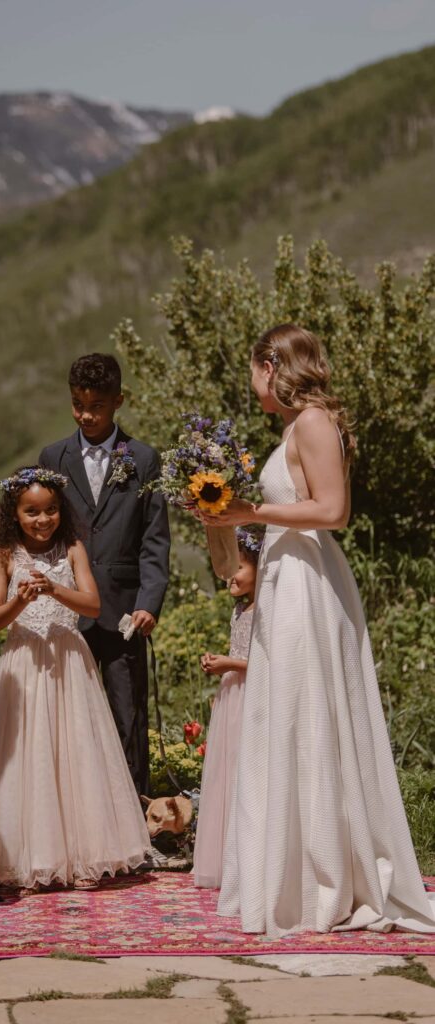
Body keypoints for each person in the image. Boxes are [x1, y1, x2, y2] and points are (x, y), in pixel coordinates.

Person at [198, 322, 435, 935]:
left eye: (254, 371)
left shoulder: (312, 421)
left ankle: (330, 878)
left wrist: (250, 510)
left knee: (308, 716)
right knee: (284, 719)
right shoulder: (294, 425)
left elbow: (333, 511)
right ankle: (293, 873)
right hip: (285, 577)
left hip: (306, 583)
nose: (251, 385)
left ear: (271, 367)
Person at [0, 467, 151, 894]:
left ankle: (87, 856)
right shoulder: (4, 555)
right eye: (32, 512)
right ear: (14, 513)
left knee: (76, 753)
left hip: (68, 659)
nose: (43, 520)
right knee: (31, 756)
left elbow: (93, 606)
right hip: (24, 663)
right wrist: (19, 600)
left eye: (52, 510)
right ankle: (34, 859)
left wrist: (54, 590)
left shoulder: (72, 547)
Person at [39, 354, 170, 795]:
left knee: (127, 716)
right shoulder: (52, 456)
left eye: (96, 405)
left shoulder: (144, 459)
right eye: (77, 404)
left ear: (118, 401)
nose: (85, 414)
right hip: (67, 609)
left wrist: (147, 604)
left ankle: (136, 813)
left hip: (123, 613)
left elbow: (155, 541)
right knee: (68, 717)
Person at [193, 527, 261, 890]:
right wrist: (220, 663)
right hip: (232, 697)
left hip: (253, 695)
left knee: (247, 770)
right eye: (226, 566)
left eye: (238, 566)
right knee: (227, 771)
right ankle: (228, 856)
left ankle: (252, 855)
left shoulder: (267, 609)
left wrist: (230, 664)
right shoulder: (240, 608)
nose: (230, 574)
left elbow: (269, 661)